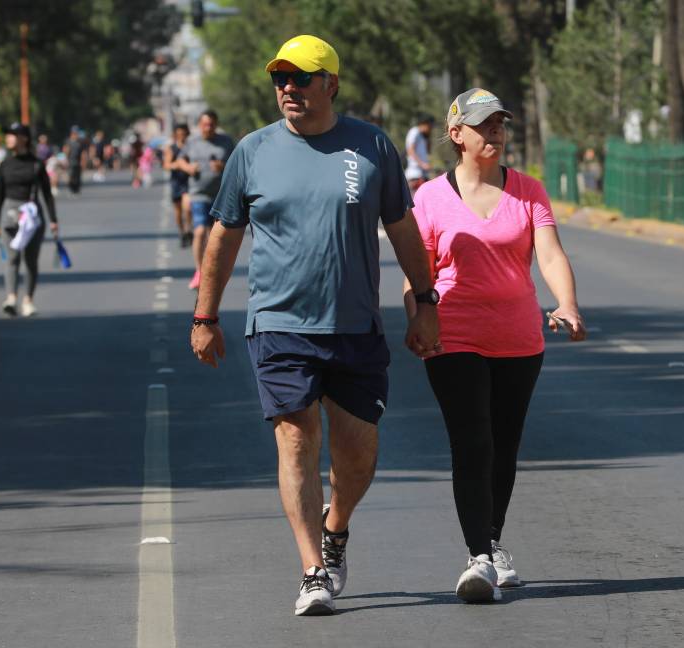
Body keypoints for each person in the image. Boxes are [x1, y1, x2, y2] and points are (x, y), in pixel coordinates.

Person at [190, 34, 439, 616]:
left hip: (355, 325)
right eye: (280, 79)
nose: (288, 89)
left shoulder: (371, 145)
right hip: (279, 324)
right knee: (296, 439)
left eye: (301, 78)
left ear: (331, 83)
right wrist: (205, 314)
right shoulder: (252, 151)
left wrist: (425, 300)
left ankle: (337, 524)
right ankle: (311, 570)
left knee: (358, 456)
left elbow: (402, 228)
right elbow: (225, 237)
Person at [407, 88, 586, 603]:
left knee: (504, 448)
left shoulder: (529, 191)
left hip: (518, 338)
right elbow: (417, 271)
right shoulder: (429, 198)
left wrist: (567, 303)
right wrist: (419, 318)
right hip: (453, 335)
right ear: (456, 134)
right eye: (484, 125)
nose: (495, 134)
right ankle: (479, 558)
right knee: (474, 443)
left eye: (500, 125)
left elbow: (549, 254)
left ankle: (493, 539)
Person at [0, 122, 59, 317]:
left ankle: (28, 300)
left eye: (13, 135)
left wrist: (53, 220)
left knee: (30, 260)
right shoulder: (4, 164)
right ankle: (11, 297)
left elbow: (47, 194)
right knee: (12, 258)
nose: (8, 139)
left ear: (24, 138)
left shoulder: (36, 163)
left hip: (31, 216)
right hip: (9, 215)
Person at [177, 110, 234, 290]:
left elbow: (237, 164)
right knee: (200, 231)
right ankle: (199, 271)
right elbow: (179, 160)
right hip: (198, 193)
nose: (208, 127)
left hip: (220, 195)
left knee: (214, 236)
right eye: (205, 124)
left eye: (211, 124)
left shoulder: (225, 142)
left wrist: (222, 166)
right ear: (200, 125)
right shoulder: (192, 142)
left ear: (216, 125)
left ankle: (212, 270)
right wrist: (188, 168)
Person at [163, 123, 193, 248]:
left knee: (187, 207)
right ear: (175, 134)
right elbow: (166, 165)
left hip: (189, 182)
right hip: (177, 182)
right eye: (179, 133)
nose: (181, 136)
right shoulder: (171, 148)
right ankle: (182, 232)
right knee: (178, 211)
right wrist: (177, 165)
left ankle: (188, 230)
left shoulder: (191, 147)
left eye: (184, 133)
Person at [404, 114, 434, 193]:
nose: (431, 128)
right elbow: (410, 150)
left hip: (422, 174)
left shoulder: (423, 137)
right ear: (424, 124)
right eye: (430, 125)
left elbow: (428, 152)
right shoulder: (415, 131)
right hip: (414, 174)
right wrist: (422, 164)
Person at [63, 127, 88, 194]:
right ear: (72, 133)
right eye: (74, 133)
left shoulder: (80, 142)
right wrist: (65, 159)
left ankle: (77, 188)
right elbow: (66, 150)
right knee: (71, 175)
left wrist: (83, 161)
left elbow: (83, 152)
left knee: (78, 176)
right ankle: (71, 187)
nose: (76, 135)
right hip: (70, 161)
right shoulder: (68, 141)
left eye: (76, 133)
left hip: (78, 161)